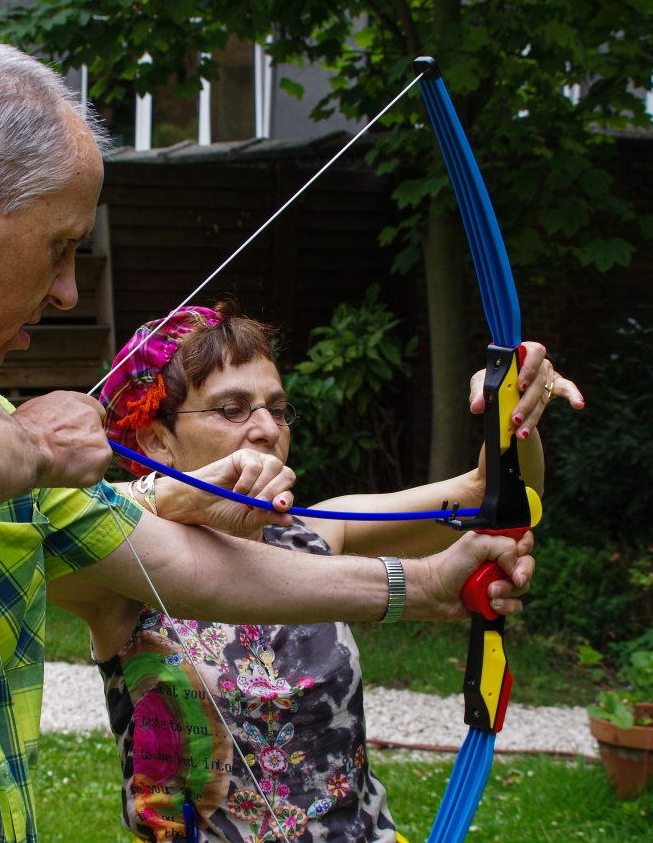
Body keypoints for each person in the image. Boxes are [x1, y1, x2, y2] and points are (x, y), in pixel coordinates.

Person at [0, 40, 538, 843]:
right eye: (60, 248)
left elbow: (191, 569)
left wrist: (420, 585)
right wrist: (34, 441)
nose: (69, 290)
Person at [47, 304, 581, 843]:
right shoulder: (121, 573)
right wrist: (170, 498)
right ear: (155, 440)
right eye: (231, 409)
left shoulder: (318, 533)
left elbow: (494, 494)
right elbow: (39, 523)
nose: (265, 429)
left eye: (276, 409)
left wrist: (510, 403)